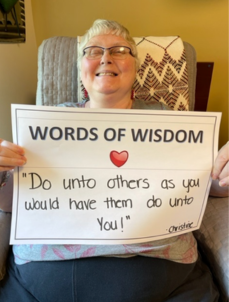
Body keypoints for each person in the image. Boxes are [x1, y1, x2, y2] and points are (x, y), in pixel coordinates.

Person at [0, 19, 228, 302]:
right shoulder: (46, 124)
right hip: (48, 271)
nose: (106, 57)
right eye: (93, 51)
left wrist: (224, 179)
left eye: (120, 50)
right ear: (81, 68)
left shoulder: (170, 123)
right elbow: (11, 204)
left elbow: (203, 188)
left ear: (136, 66)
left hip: (162, 268)